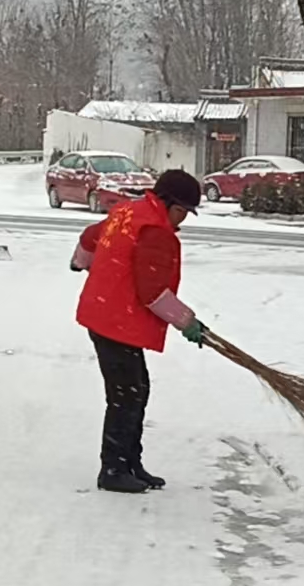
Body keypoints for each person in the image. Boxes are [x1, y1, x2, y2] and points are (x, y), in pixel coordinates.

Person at [69, 169, 205, 494]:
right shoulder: (155, 231)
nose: (184, 219)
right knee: (126, 396)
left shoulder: (129, 211)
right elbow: (153, 293)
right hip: (116, 322)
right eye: (183, 211)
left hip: (108, 315)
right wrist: (186, 322)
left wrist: (80, 262)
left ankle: (130, 463)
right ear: (170, 204)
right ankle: (113, 470)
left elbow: (91, 236)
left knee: (135, 391)